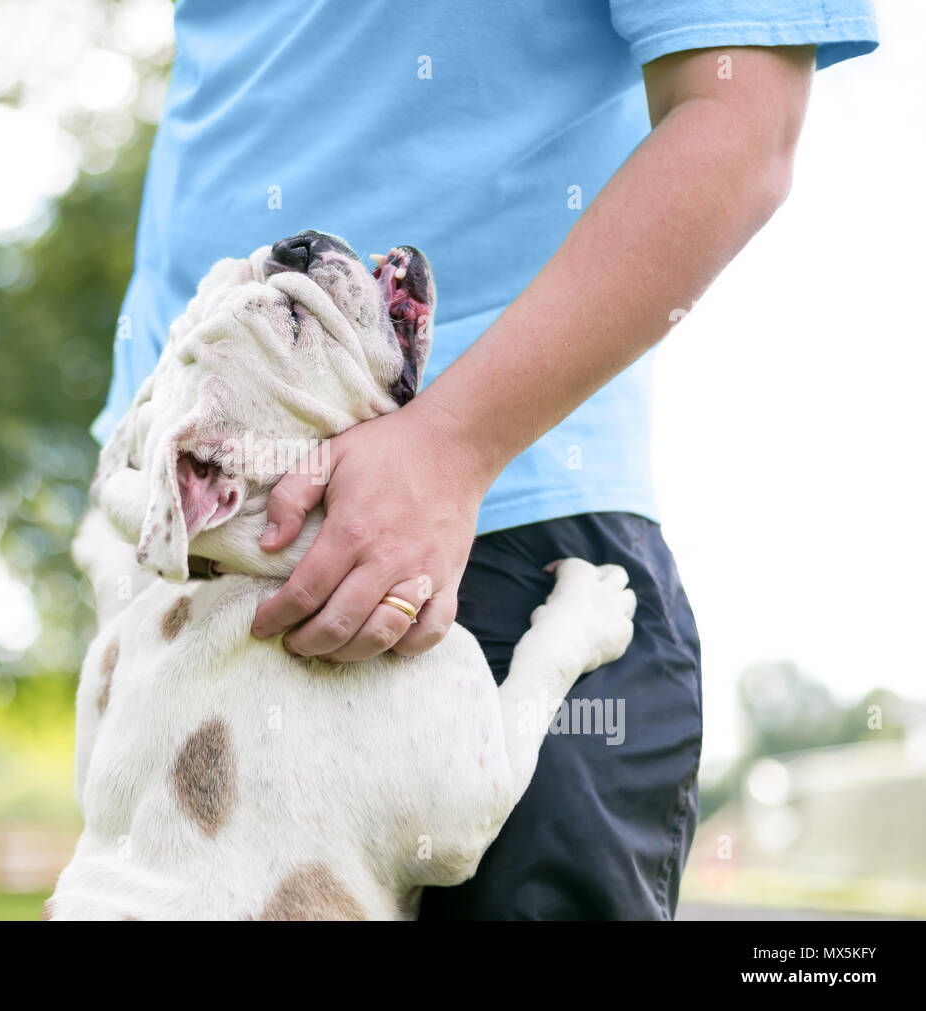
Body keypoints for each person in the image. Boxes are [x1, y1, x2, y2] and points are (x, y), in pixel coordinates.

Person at [91, 1, 878, 920]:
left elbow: (743, 116)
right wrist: (125, 485)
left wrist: (453, 444)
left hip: (495, 536)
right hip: (180, 587)